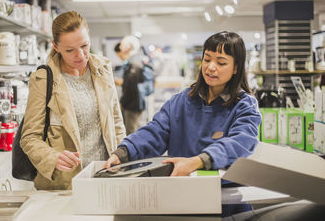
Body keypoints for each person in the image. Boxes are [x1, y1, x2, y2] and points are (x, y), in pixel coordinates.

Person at [105, 31, 261, 176]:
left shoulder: (244, 106)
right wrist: (124, 152)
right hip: (181, 191)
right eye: (207, 59)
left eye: (221, 63)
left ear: (236, 68)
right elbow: (155, 131)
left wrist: (198, 161)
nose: (210, 67)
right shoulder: (181, 101)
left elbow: (240, 142)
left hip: (226, 197)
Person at [20, 11, 126, 190]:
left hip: (105, 175)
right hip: (65, 183)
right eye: (70, 50)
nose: (80, 55)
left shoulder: (103, 69)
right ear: (55, 46)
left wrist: (122, 157)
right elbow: (30, 137)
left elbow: (116, 122)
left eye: (84, 45)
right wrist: (52, 157)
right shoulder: (43, 80)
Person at [114, 35, 151, 135]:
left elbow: (130, 87)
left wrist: (123, 103)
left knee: (132, 134)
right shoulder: (133, 63)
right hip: (134, 104)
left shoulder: (134, 64)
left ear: (128, 48)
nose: (120, 47)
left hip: (132, 106)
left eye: (122, 44)